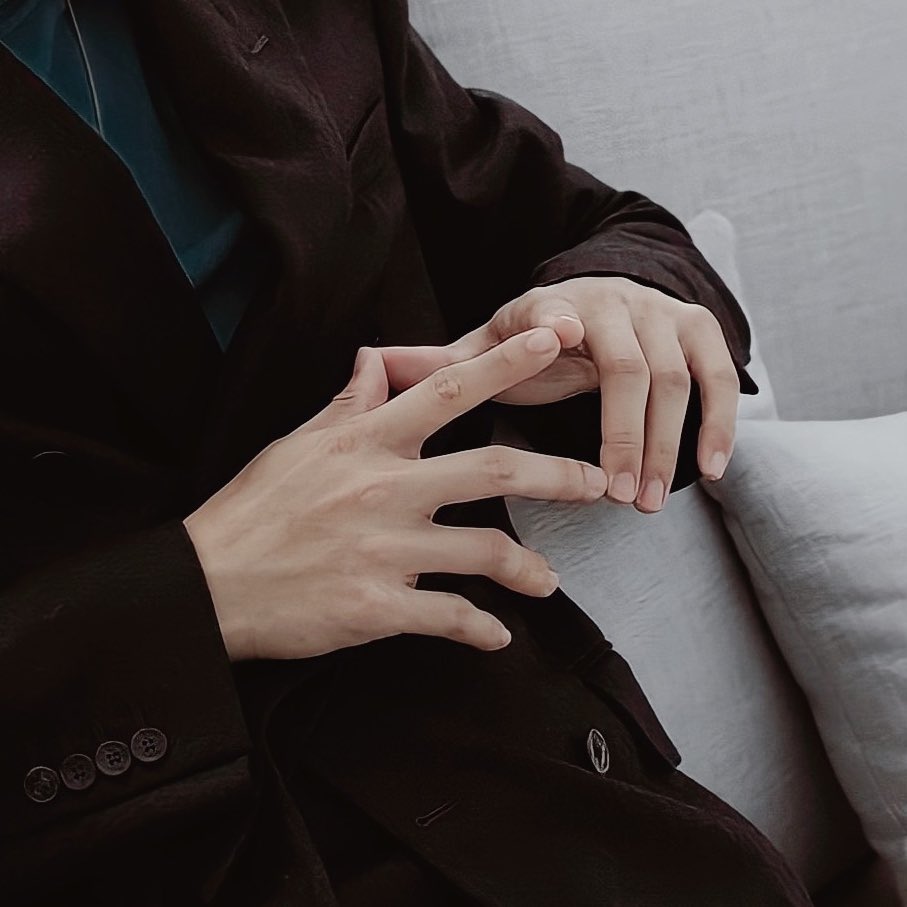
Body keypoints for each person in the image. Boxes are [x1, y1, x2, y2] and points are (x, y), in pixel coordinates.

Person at [0, 0, 814, 904]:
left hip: (534, 803)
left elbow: (597, 228)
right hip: (125, 838)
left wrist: (608, 302)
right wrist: (195, 595)